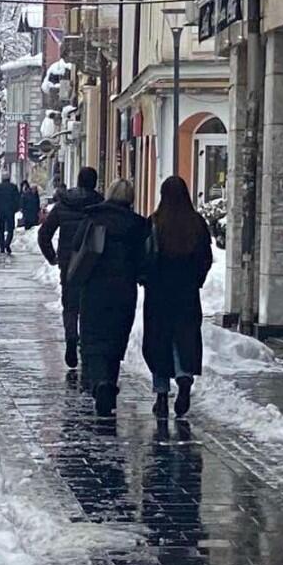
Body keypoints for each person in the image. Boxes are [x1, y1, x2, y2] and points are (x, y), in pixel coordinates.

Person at [77, 178, 150, 417]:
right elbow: (145, 259)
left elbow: (78, 245)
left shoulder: (93, 218)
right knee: (116, 336)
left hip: (95, 287)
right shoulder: (138, 225)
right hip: (124, 290)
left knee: (94, 336)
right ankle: (109, 379)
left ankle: (98, 381)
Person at [142, 175, 213, 419]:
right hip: (186, 293)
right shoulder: (196, 223)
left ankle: (161, 394)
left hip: (158, 293)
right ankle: (184, 376)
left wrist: (146, 279)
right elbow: (206, 257)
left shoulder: (154, 223)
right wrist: (196, 280)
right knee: (184, 336)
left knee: (159, 339)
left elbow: (144, 258)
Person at [38, 167, 104, 368]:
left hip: (69, 262)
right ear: (94, 182)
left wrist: (52, 257)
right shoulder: (100, 204)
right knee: (88, 306)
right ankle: (84, 344)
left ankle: (71, 337)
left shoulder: (62, 204)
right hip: (93, 263)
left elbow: (44, 234)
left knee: (70, 305)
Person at [0, 171, 21, 254]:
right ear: (9, 178)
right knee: (10, 229)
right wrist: (15, 209)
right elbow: (17, 199)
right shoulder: (13, 187)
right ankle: (7, 243)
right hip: (10, 211)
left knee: (1, 229)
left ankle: (2, 247)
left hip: (0, 211)